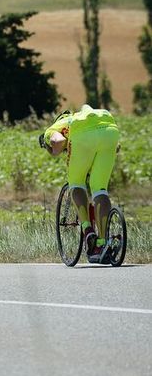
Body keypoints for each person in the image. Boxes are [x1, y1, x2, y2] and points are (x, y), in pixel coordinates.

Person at [39, 104, 120, 264]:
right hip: (109, 129)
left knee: (76, 183)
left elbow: (59, 140)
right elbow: (116, 147)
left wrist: (55, 148)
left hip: (83, 136)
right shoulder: (79, 115)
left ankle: (88, 230)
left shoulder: (54, 128)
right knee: (99, 189)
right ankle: (103, 243)